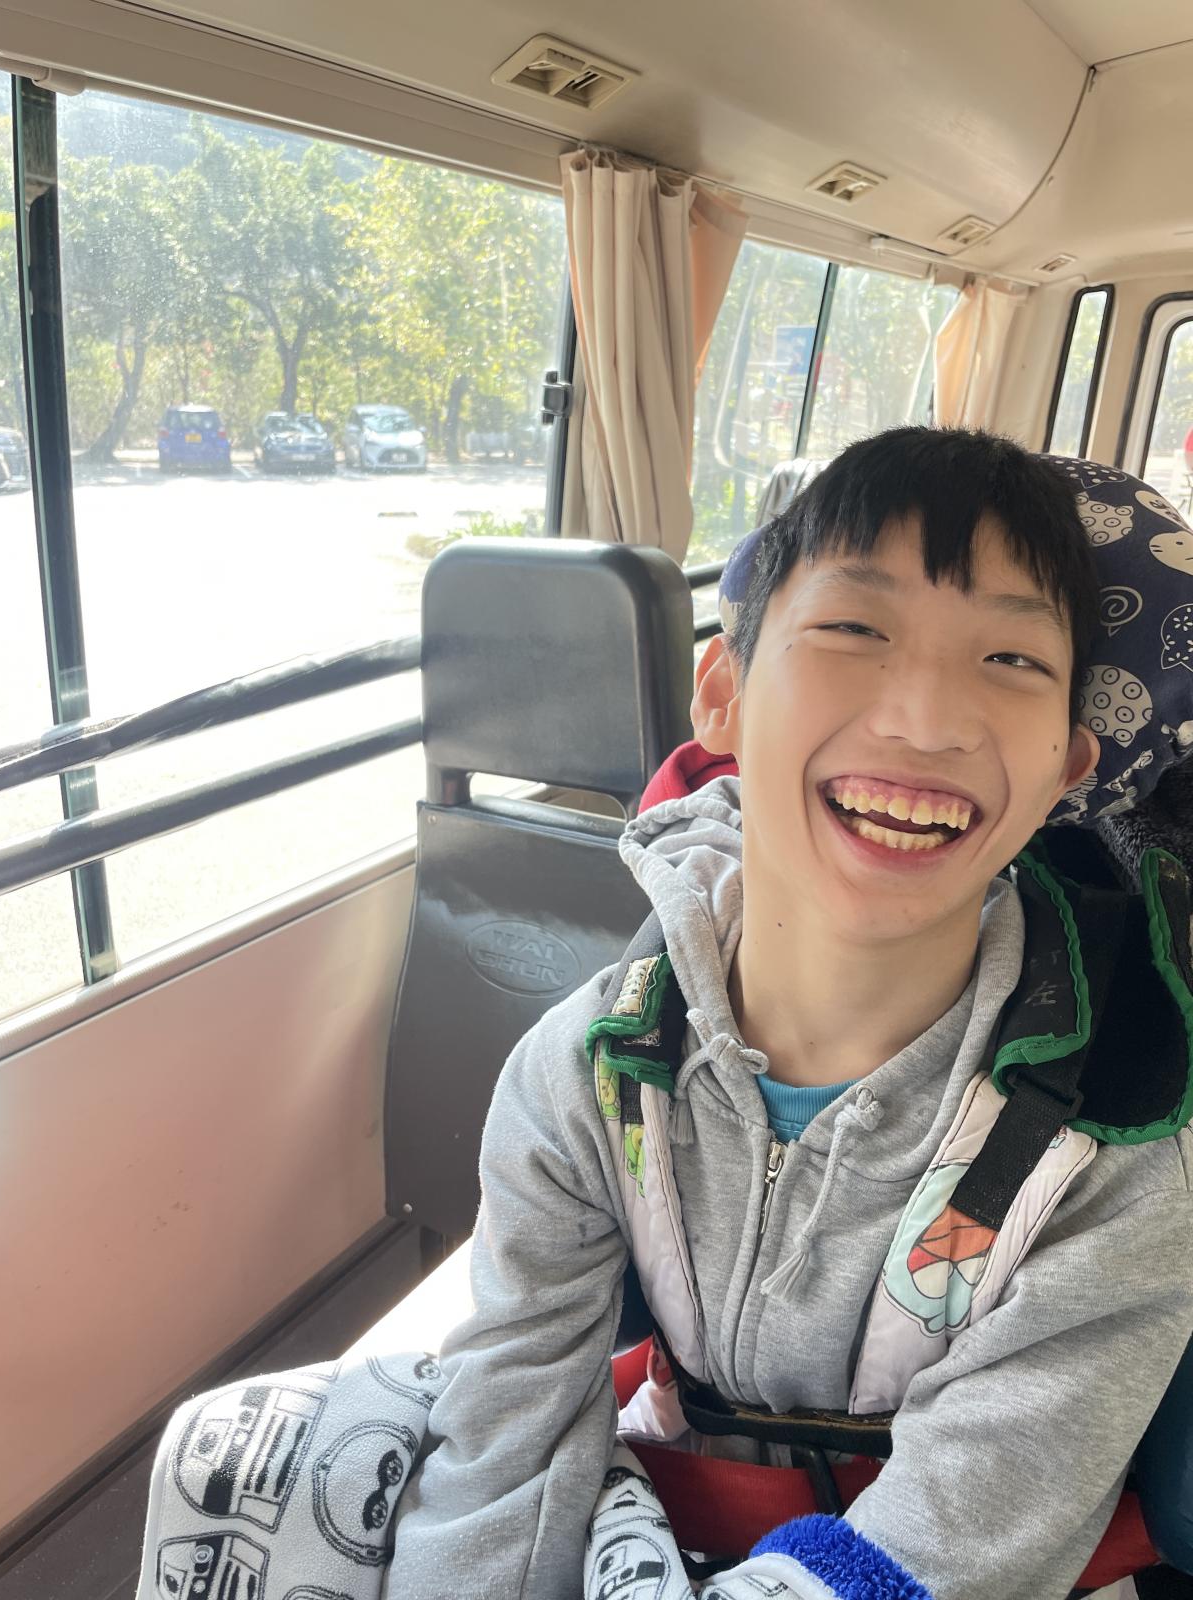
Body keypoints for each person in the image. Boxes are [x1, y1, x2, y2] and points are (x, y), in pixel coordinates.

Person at [134, 428, 1193, 1600]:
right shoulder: (591, 1073)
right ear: (723, 693)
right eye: (856, 629)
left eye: (1010, 658)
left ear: (1065, 770)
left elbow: (959, 1535)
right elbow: (501, 1453)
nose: (927, 717)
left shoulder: (1118, 1135)